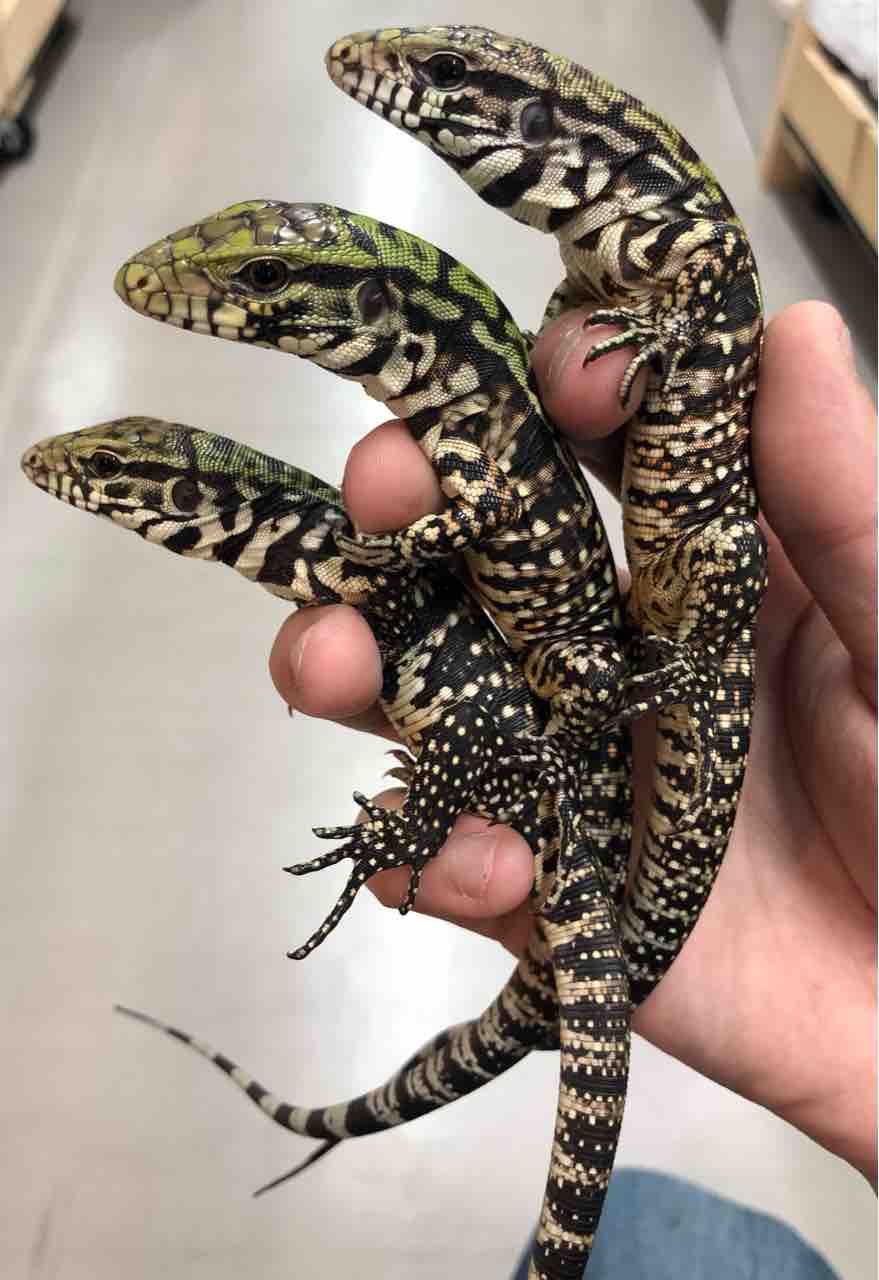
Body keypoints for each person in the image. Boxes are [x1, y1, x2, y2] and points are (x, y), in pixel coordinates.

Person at [268, 300, 876, 1276]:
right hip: (641, 729)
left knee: (631, 1216)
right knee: (633, 1205)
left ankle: (324, 1117)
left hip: (652, 710)